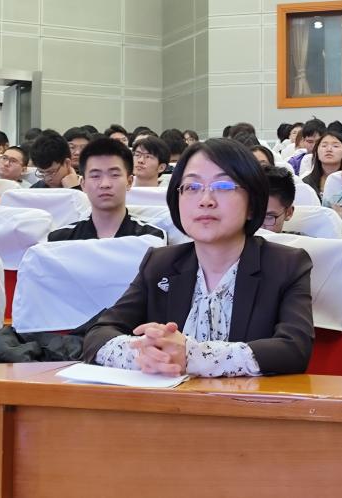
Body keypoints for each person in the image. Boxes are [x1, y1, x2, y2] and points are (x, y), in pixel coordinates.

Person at [81, 138, 314, 377]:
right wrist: (147, 353)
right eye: (192, 187)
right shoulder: (160, 264)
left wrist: (191, 355)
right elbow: (99, 333)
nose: (205, 200)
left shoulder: (286, 265)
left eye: (223, 186)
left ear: (252, 204)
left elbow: (294, 349)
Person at [49, 138, 164, 242]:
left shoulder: (151, 238)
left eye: (114, 175)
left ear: (129, 182)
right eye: (95, 176)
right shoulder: (61, 240)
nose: (105, 184)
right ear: (83, 184)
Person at [301, 132, 342, 200]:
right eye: (324, 146)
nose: (329, 149)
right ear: (316, 152)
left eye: (335, 146)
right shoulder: (306, 183)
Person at [261, 165, 296, 233]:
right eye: (252, 214)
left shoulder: (303, 240)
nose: (258, 226)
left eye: (268, 216)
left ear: (288, 212)